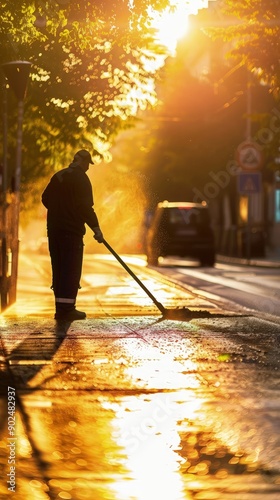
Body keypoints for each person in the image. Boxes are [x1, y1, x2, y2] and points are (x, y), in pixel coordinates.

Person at [42, 149, 104, 321]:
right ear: (83, 162)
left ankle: (60, 309)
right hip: (72, 232)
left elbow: (45, 198)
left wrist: (59, 211)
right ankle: (67, 309)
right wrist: (96, 228)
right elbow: (85, 208)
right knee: (70, 270)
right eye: (88, 164)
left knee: (59, 268)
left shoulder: (59, 176)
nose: (88, 168)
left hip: (54, 231)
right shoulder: (81, 179)